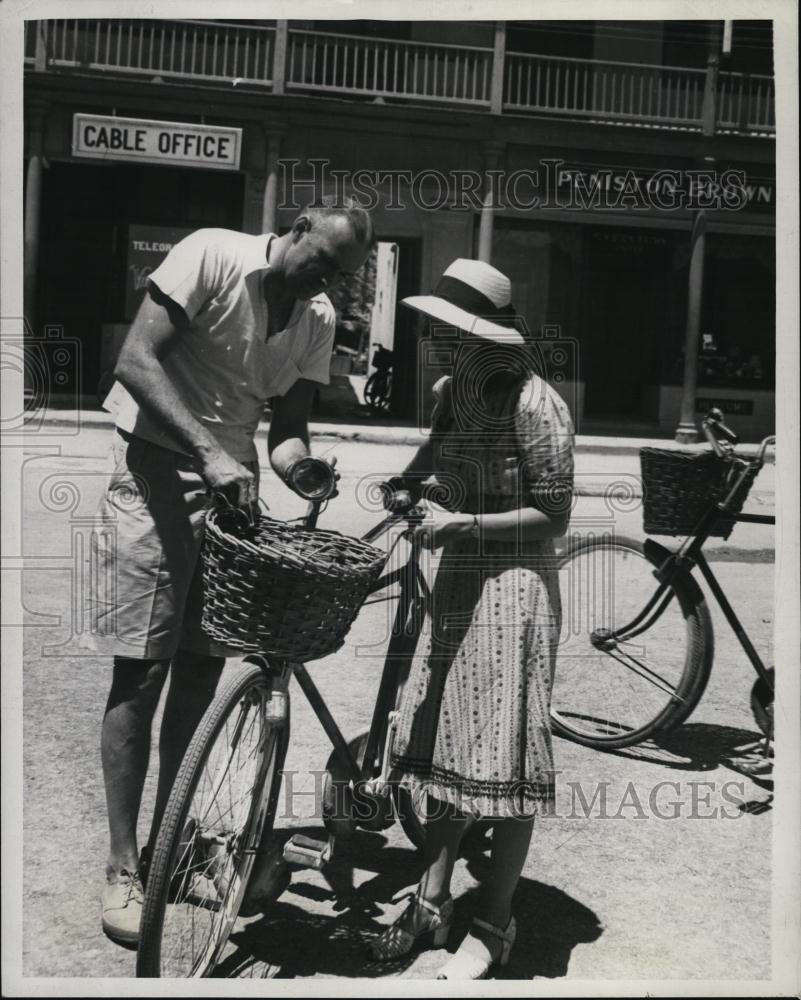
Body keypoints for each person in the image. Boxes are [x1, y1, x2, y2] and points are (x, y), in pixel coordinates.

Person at [94, 197, 375, 946]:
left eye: (339, 276)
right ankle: (122, 868)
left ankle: (167, 853)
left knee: (198, 670)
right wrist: (209, 452)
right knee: (142, 672)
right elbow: (134, 359)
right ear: (293, 228)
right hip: (155, 468)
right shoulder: (212, 254)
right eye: (320, 261)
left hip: (229, 488)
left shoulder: (314, 319)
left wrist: (304, 468)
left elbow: (285, 431)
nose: (324, 284)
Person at [371, 259, 574, 979]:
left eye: (461, 334)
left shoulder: (535, 403)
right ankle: (432, 900)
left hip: (514, 588)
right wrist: (405, 484)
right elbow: (434, 455)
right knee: (448, 746)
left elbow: (552, 516)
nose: (448, 344)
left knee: (505, 758)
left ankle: (493, 921)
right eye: (445, 332)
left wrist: (462, 525)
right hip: (458, 582)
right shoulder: (452, 392)